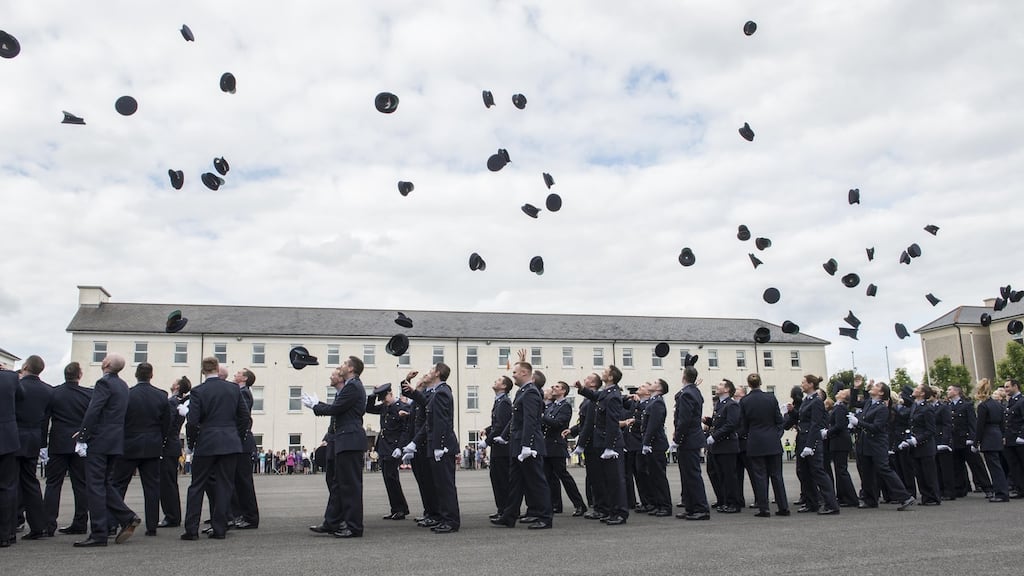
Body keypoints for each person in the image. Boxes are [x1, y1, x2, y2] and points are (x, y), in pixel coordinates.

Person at [74, 353, 142, 547]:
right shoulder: (123, 386)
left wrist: (83, 435)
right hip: (115, 440)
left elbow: (94, 410)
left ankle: (98, 532)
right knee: (105, 483)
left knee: (94, 486)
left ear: (106, 364)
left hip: (100, 440)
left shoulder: (103, 384)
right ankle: (127, 516)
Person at [181, 357, 249, 541]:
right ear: (218, 369)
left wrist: (192, 443)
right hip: (229, 441)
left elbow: (193, 421)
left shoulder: (198, 391)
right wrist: (238, 435)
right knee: (224, 485)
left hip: (207, 441)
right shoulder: (233, 389)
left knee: (197, 485)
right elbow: (244, 417)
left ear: (203, 371)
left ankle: (191, 528)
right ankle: (220, 527)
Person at [304, 357, 367, 538]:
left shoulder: (353, 386)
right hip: (345, 439)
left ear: (352, 369)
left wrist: (316, 406)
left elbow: (336, 409)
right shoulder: (350, 386)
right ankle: (331, 522)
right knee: (339, 484)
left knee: (350, 486)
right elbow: (337, 408)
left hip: (350, 439)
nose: (341, 365)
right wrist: (318, 405)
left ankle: (354, 527)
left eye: (345, 363)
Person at [110, 363, 170, 537]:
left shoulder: (128, 394)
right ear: (151, 375)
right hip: (152, 443)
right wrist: (161, 439)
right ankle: (152, 526)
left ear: (136, 375)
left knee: (119, 484)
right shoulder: (161, 396)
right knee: (152, 487)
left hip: (129, 443)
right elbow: (166, 423)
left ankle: (114, 522)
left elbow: (120, 419)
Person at [491, 361, 550, 529]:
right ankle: (509, 516)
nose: (513, 375)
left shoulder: (530, 392)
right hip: (518, 445)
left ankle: (545, 517)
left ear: (524, 373)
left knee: (537, 481)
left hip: (528, 446)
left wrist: (527, 445)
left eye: (515, 372)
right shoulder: (522, 392)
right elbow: (516, 421)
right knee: (515, 482)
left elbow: (531, 421)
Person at [403, 363, 461, 533]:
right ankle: (444, 517)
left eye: (430, 370)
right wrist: (414, 443)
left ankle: (451, 520)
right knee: (440, 485)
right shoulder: (436, 393)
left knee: (445, 485)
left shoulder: (442, 392)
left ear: (437, 373)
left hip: (442, 447)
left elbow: (442, 421)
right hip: (436, 446)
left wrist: (440, 446)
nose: (428, 372)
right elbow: (430, 420)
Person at [43, 362, 92, 536]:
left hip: (58, 441)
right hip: (79, 442)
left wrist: (43, 442)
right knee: (80, 484)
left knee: (53, 484)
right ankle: (80, 522)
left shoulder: (53, 393)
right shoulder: (88, 394)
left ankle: (48, 524)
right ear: (79, 375)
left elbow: (45, 419)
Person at [849, 381, 915, 510]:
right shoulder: (869, 403)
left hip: (877, 443)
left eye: (876, 387)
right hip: (866, 442)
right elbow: (854, 403)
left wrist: (858, 423)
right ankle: (870, 499)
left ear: (881, 393)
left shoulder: (882, 408)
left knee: (884, 469)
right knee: (866, 471)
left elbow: (876, 427)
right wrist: (856, 388)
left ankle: (905, 496)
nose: (873, 387)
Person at [788, 374, 839, 515]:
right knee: (804, 473)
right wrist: (792, 412)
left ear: (811, 384)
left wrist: (810, 445)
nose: (802, 384)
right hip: (802, 438)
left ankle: (831, 503)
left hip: (810, 439)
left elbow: (815, 423)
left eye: (804, 382)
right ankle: (812, 502)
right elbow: (801, 418)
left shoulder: (816, 401)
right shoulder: (807, 400)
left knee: (818, 472)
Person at [16, 355, 54, 540]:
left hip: (14, 437)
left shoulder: (18, 386)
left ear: (25, 366)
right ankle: (39, 525)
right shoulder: (47, 391)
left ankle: (11, 524)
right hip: (34, 438)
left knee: (9, 482)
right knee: (31, 482)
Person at [739, 373, 789, 518]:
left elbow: (744, 424)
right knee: (777, 476)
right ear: (760, 382)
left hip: (755, 441)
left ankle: (764, 508)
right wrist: (777, 435)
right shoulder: (770, 398)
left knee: (760, 476)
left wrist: (747, 436)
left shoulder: (745, 401)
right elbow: (779, 420)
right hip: (772, 440)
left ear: (749, 384)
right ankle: (783, 506)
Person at [366, 382, 412, 520]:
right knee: (388, 479)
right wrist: (373, 395)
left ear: (391, 394)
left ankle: (401, 509)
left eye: (384, 398)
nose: (383, 402)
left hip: (394, 447)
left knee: (392, 478)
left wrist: (400, 447)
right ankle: (396, 508)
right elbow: (368, 408)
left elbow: (405, 430)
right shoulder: (384, 407)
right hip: (384, 447)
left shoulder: (402, 407)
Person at [541, 380, 586, 517]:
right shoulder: (553, 406)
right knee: (550, 477)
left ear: (563, 391)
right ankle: (555, 504)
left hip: (556, 445)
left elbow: (559, 424)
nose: (553, 388)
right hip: (547, 445)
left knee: (563, 476)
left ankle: (579, 504)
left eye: (557, 387)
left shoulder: (565, 406)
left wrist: (543, 417)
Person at [673, 366, 710, 520]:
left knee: (692, 475)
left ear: (684, 376)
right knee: (687, 475)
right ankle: (691, 507)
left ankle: (701, 508)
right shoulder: (693, 391)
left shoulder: (687, 394)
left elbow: (684, 420)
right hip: (692, 438)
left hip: (689, 439)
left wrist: (677, 439)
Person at [948, 383, 992, 498]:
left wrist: (972, 439)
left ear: (956, 392)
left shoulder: (966, 405)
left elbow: (973, 423)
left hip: (966, 439)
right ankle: (960, 489)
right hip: (955, 439)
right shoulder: (948, 406)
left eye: (950, 389)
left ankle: (987, 488)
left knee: (976, 465)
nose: (947, 391)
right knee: (957, 466)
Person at [158, 376, 190, 528]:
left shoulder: (172, 402)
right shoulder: (178, 402)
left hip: (168, 445)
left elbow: (167, 424)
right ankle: (172, 515)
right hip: (172, 444)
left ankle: (171, 516)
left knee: (167, 483)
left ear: (177, 386)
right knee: (169, 482)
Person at [229, 368, 259, 529]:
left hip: (243, 442)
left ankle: (250, 517)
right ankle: (238, 513)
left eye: (238, 373)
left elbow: (243, 417)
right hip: (240, 441)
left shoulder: (244, 393)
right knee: (237, 481)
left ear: (245, 378)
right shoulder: (239, 392)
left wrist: (238, 436)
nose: (236, 374)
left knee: (244, 482)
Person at [705, 379, 741, 514]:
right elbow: (719, 422)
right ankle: (724, 499)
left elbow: (731, 424)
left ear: (727, 389)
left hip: (727, 445)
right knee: (718, 474)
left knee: (729, 475)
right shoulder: (720, 405)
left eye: (720, 385)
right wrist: (708, 421)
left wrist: (714, 436)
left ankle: (733, 503)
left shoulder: (731, 405)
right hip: (718, 446)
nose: (717, 386)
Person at [901, 384, 941, 506]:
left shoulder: (927, 408)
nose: (915, 390)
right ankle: (926, 497)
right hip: (916, 445)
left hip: (925, 445)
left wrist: (917, 439)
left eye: (917, 389)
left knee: (928, 474)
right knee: (920, 473)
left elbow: (931, 430)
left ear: (923, 393)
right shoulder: (915, 405)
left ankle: (934, 497)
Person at [640, 379, 672, 517]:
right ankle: (658, 504)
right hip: (652, 443)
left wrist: (646, 442)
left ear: (659, 388)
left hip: (656, 444)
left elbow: (653, 424)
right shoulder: (653, 401)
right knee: (653, 476)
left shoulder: (657, 402)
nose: (650, 384)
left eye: (654, 382)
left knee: (659, 476)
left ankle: (665, 506)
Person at [974, 379, 1010, 502]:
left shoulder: (983, 406)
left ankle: (1001, 493)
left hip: (988, 437)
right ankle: (1002, 490)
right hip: (997, 435)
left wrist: (976, 442)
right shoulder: (997, 405)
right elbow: (1002, 423)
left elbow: (980, 426)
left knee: (994, 467)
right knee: (998, 466)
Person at [483, 376, 513, 519]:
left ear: (504, 386)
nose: (496, 381)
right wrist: (488, 429)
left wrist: (486, 442)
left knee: (502, 480)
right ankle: (501, 509)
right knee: (496, 479)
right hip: (498, 448)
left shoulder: (505, 402)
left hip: (502, 449)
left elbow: (501, 425)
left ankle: (506, 510)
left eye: (499, 380)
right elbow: (497, 423)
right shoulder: (500, 401)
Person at [1, 365, 23, 547]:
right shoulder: (10, 378)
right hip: (6, 437)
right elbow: (21, 397)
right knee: (8, 487)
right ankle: (6, 533)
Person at [825, 388, 858, 507]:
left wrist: (827, 433)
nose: (839, 391)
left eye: (843, 391)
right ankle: (843, 497)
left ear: (845, 397)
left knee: (842, 470)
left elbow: (839, 425)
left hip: (840, 441)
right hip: (838, 441)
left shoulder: (840, 407)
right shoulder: (838, 407)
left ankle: (851, 498)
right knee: (839, 470)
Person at [1001, 379, 1024, 496]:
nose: (1006, 389)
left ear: (1015, 386)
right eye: (1005, 387)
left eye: (1007, 387)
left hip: (1019, 439)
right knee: (1014, 466)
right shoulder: (1009, 402)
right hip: (1010, 439)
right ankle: (1020, 488)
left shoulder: (1021, 401)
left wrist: (1021, 436)